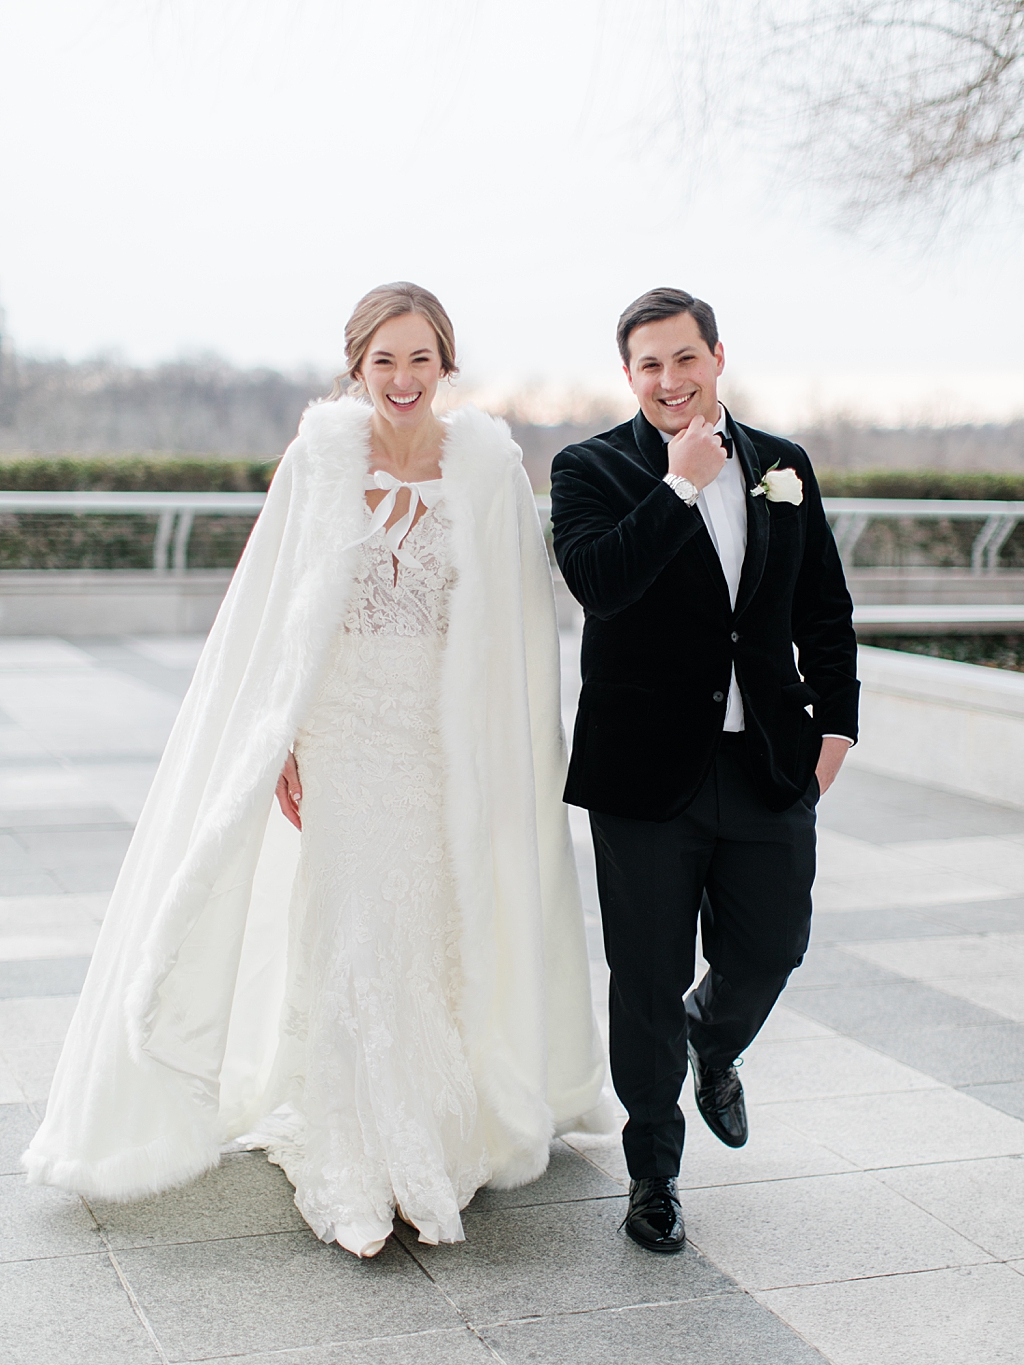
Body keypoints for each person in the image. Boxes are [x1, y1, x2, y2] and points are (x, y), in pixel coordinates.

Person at [24, 282, 609, 1259]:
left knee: (427, 930)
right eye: (383, 360)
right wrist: (282, 740)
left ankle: (425, 1130)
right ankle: (353, 1156)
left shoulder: (487, 469)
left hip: (436, 743)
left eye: (420, 357)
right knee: (350, 930)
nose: (403, 377)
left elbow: (514, 633)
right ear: (356, 369)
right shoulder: (320, 460)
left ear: (446, 364)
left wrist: (503, 759)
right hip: (340, 736)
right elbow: (273, 622)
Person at [550, 287, 858, 1254]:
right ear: (628, 375)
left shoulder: (784, 466)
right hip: (644, 769)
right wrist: (677, 486)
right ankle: (653, 1176)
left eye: (685, 359)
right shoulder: (589, 467)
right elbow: (598, 582)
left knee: (773, 945)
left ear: (717, 358)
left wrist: (836, 728)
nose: (670, 380)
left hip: (766, 756)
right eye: (649, 365)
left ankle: (712, 1043)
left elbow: (824, 607)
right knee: (645, 976)